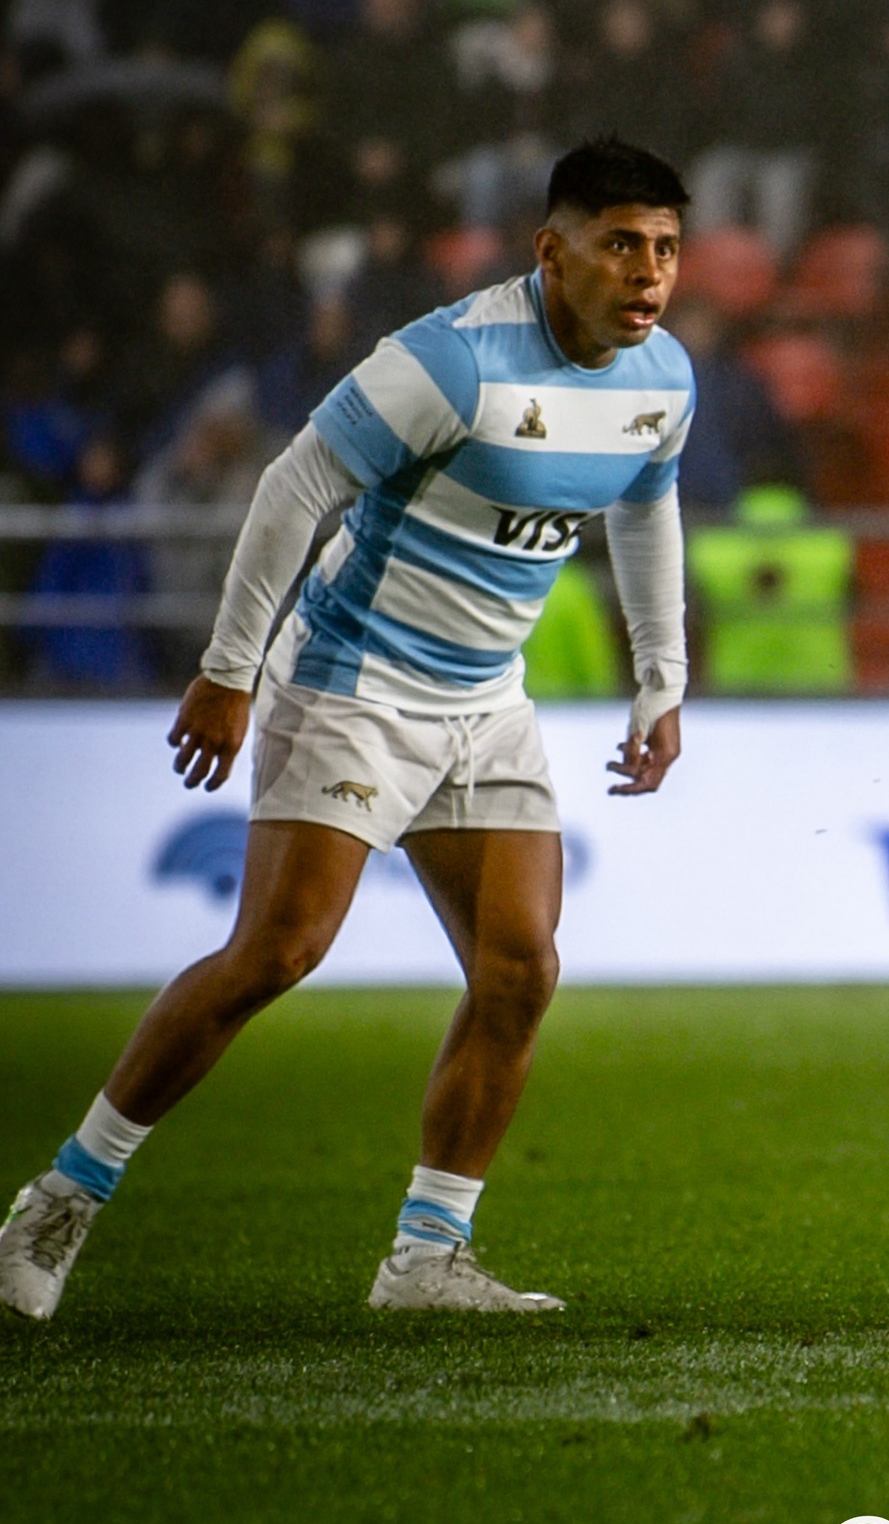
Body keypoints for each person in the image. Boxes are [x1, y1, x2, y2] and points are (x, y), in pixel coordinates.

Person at [0, 139, 697, 1322]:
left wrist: (662, 677)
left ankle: (426, 1258)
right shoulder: (447, 361)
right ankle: (56, 1203)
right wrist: (228, 671)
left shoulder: (662, 377)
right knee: (276, 952)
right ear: (552, 250)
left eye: (667, 250)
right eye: (621, 245)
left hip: (486, 697)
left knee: (521, 972)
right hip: (355, 680)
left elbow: (645, 504)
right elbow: (293, 486)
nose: (647, 275)